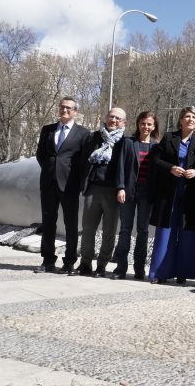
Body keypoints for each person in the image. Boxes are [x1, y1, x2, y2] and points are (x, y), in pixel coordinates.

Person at [149, 106, 195, 283]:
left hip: (192, 194)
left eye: (193, 117)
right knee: (165, 233)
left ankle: (184, 273)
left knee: (188, 234)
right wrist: (170, 168)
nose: (190, 119)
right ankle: (161, 273)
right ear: (180, 120)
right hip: (169, 193)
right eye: (187, 116)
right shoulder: (169, 137)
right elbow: (156, 159)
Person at [34, 97, 89, 274]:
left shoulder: (83, 133)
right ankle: (48, 260)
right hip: (48, 183)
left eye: (69, 108)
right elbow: (40, 155)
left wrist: (79, 182)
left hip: (69, 184)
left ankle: (69, 261)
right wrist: (51, 170)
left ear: (75, 111)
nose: (64, 110)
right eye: (62, 107)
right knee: (48, 222)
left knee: (70, 224)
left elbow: (83, 161)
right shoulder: (48, 130)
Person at [78, 107, 127, 277]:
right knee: (88, 229)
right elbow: (83, 160)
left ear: (123, 123)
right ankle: (85, 263)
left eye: (117, 118)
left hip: (113, 192)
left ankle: (101, 265)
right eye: (111, 116)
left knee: (109, 232)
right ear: (106, 118)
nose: (113, 120)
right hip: (93, 188)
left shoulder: (124, 142)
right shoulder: (94, 137)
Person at [111, 111, 161, 280]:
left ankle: (139, 268)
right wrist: (120, 187)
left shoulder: (156, 147)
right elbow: (120, 167)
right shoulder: (128, 143)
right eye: (142, 123)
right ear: (138, 124)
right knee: (125, 230)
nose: (145, 127)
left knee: (143, 230)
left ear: (154, 127)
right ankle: (120, 267)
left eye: (149, 124)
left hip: (147, 194)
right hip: (129, 191)